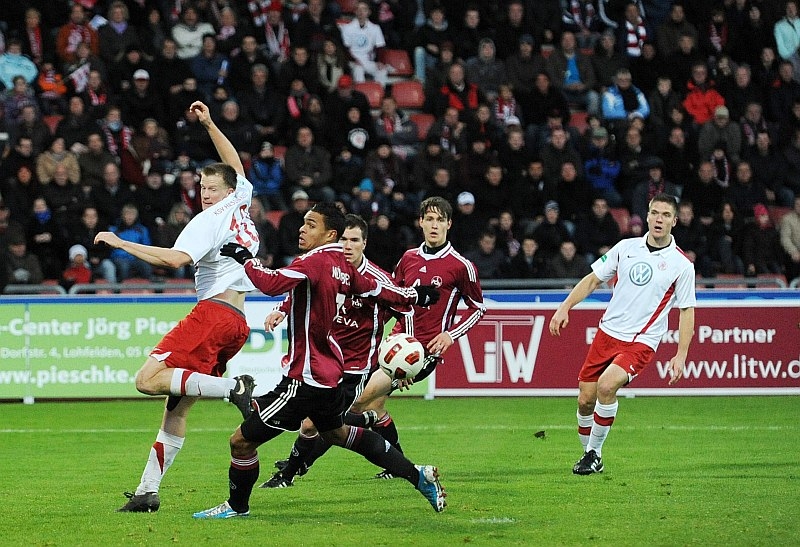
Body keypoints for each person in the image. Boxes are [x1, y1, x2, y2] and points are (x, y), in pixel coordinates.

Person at [192, 202, 446, 518]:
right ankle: (416, 475)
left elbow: (270, 283)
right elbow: (381, 290)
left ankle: (236, 507)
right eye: (303, 222)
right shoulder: (343, 267)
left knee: (241, 442)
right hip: (328, 375)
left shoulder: (313, 262)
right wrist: (416, 296)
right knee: (336, 434)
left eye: (311, 224)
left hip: (304, 381)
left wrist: (245, 258)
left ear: (330, 234)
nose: (302, 228)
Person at [94, 101, 260, 513]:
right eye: (201, 188)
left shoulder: (208, 220)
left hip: (213, 314)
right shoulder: (241, 203)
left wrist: (121, 243)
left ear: (225, 190)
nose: (205, 194)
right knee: (175, 411)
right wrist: (208, 124)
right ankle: (148, 490)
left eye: (211, 188)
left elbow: (174, 260)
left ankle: (232, 388)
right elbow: (234, 164)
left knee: (148, 379)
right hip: (237, 322)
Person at [549, 193, 696, 476]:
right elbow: (593, 279)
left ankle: (593, 453)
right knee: (585, 400)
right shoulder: (626, 247)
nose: (659, 219)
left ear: (674, 221)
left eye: (666, 215)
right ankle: (590, 454)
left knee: (606, 387)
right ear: (648, 216)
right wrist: (565, 307)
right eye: (655, 213)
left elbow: (687, 311)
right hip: (607, 333)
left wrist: (681, 355)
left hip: (641, 340)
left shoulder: (682, 266)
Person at [261, 214, 409, 487]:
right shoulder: (327, 267)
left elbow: (406, 309)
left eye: (354, 240)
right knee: (327, 425)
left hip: (355, 366)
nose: (348, 246)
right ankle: (373, 435)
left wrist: (407, 357)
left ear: (365, 243)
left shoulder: (379, 279)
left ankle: (289, 473)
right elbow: (299, 286)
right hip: (325, 359)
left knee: (313, 424)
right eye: (343, 239)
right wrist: (281, 310)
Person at [344, 196, 486, 478]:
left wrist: (450, 335)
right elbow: (393, 299)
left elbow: (478, 308)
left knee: (355, 403)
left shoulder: (461, 266)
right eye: (429, 219)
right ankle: (396, 465)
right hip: (393, 345)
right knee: (375, 405)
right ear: (420, 223)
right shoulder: (408, 258)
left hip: (424, 352)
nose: (434, 225)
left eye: (439, 220)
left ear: (449, 224)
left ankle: (295, 466)